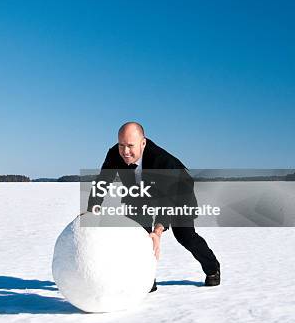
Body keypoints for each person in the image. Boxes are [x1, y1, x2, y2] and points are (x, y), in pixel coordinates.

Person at [86, 122, 221, 290]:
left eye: (130, 146)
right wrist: (93, 208)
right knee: (139, 237)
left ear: (143, 143)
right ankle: (147, 279)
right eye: (121, 145)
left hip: (178, 194)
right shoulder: (114, 154)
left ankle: (213, 268)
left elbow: (168, 201)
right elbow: (103, 181)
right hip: (139, 195)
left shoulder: (163, 161)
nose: (125, 152)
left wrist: (157, 231)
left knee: (185, 236)